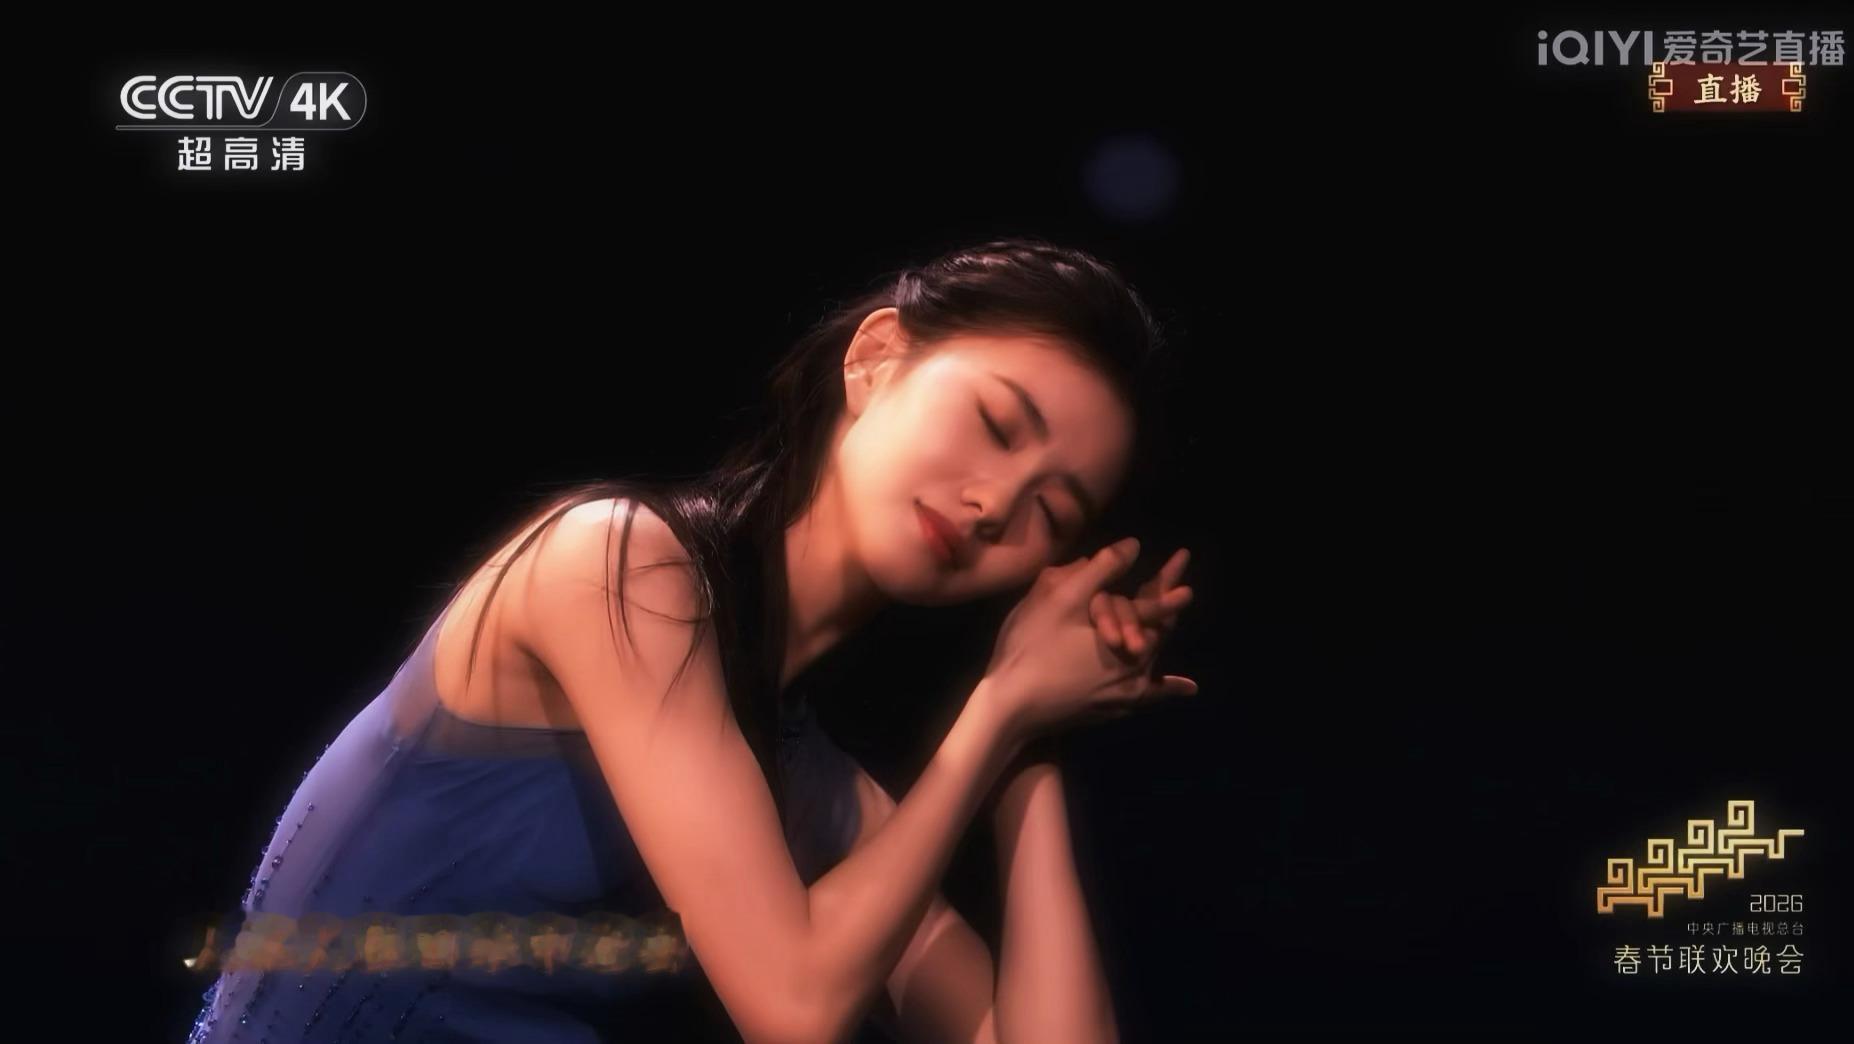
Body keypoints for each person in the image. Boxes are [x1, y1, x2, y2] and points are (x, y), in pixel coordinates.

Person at [185, 238, 1200, 1043]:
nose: (995, 504)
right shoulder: (615, 563)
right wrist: (1001, 708)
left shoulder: (812, 789)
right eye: (995, 424)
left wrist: (1031, 743)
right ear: (877, 359)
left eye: (1052, 511)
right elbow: (794, 1008)